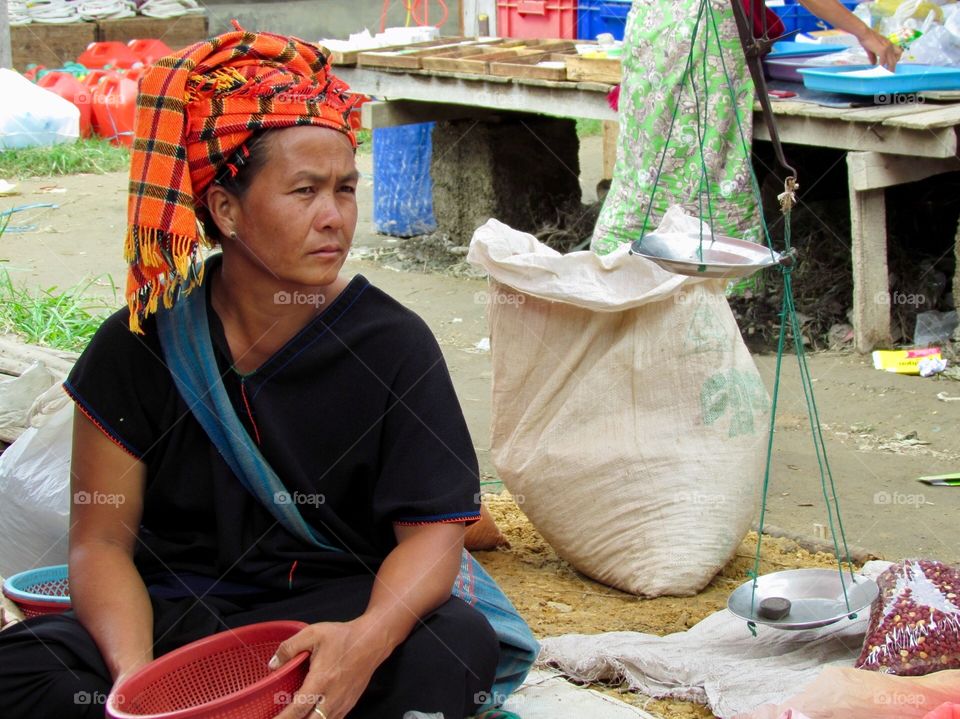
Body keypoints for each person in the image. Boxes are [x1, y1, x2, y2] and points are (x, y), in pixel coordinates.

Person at [0, 26, 536, 719]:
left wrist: (364, 641)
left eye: (345, 189)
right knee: (21, 670)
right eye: (304, 190)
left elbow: (434, 537)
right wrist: (140, 684)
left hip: (323, 615)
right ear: (225, 209)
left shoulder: (393, 346)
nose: (334, 218)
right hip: (175, 616)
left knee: (452, 645)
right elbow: (100, 541)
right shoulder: (139, 346)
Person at [590, 0, 902, 254]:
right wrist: (864, 32)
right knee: (707, 155)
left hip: (651, 23)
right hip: (703, 31)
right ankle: (708, 267)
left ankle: (624, 256)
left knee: (648, 154)